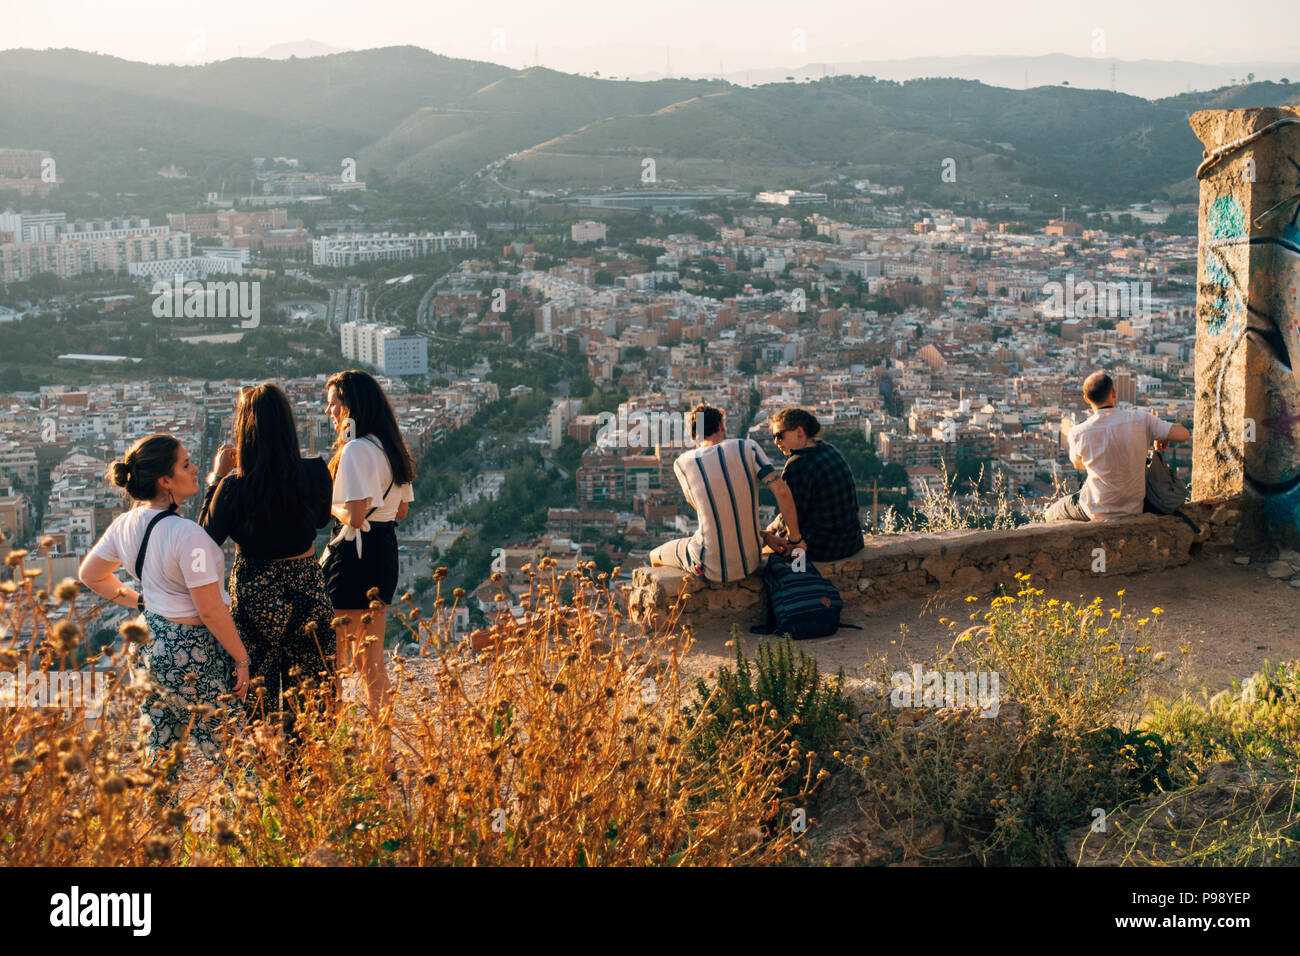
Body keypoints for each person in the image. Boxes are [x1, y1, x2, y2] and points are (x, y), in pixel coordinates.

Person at [78, 434, 250, 770]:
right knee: (235, 755)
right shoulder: (189, 537)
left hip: (146, 643)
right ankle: (260, 820)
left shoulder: (124, 524)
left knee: (160, 753)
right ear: (165, 481)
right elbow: (210, 609)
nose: (195, 468)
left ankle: (162, 820)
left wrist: (139, 601)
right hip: (189, 653)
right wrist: (241, 658)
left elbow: (91, 575)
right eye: (186, 464)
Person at [199, 383, 335, 747]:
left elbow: (204, 538)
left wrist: (215, 479)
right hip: (306, 582)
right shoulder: (315, 473)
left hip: (256, 590)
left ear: (246, 429)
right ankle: (311, 779)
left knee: (257, 695)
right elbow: (322, 520)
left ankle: (267, 782)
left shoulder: (234, 487)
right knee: (313, 693)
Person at [321, 370, 416, 734]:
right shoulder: (389, 445)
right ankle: (383, 751)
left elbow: (356, 516)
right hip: (383, 552)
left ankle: (329, 744)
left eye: (334, 402)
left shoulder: (358, 450)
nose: (329, 410)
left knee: (334, 661)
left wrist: (327, 504)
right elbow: (402, 510)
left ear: (351, 405)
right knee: (371, 662)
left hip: (354, 557)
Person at [650, 404, 800, 583]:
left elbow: (711, 513)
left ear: (694, 436)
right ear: (722, 425)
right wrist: (794, 539)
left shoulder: (682, 463)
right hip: (751, 561)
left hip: (709, 565)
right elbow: (782, 490)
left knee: (655, 555)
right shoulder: (748, 447)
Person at [1044, 370, 1192, 522]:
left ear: (1086, 399)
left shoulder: (1078, 432)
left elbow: (1079, 464)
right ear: (1114, 393)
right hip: (1134, 507)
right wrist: (1162, 434)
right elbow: (1184, 434)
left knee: (1050, 514)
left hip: (1095, 509)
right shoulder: (1141, 419)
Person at [760, 407, 865, 562]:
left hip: (824, 548)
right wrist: (778, 522)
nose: (776, 442)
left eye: (780, 435)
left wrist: (771, 533)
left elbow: (795, 515)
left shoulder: (798, 464)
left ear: (800, 432)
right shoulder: (830, 450)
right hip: (851, 542)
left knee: (766, 542)